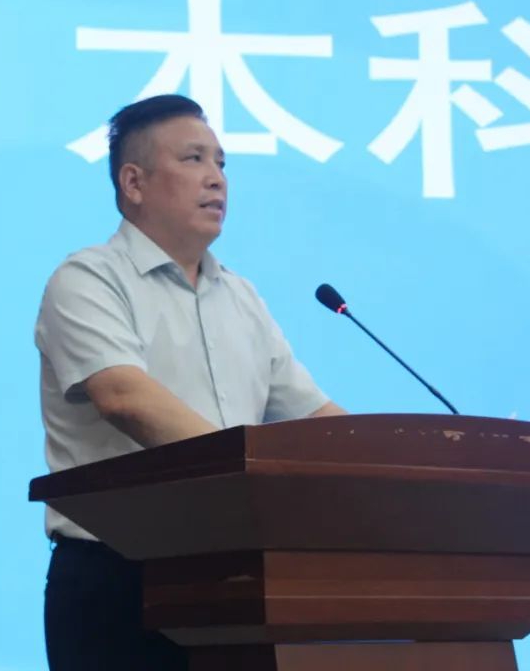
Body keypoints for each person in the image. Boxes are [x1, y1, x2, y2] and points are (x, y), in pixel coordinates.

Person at [35, 94, 345, 671]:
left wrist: (398, 468)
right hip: (118, 581)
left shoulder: (242, 297)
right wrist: (245, 481)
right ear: (134, 182)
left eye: (221, 163)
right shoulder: (88, 279)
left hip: (236, 578)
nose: (216, 179)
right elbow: (124, 396)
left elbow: (313, 418)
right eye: (194, 159)